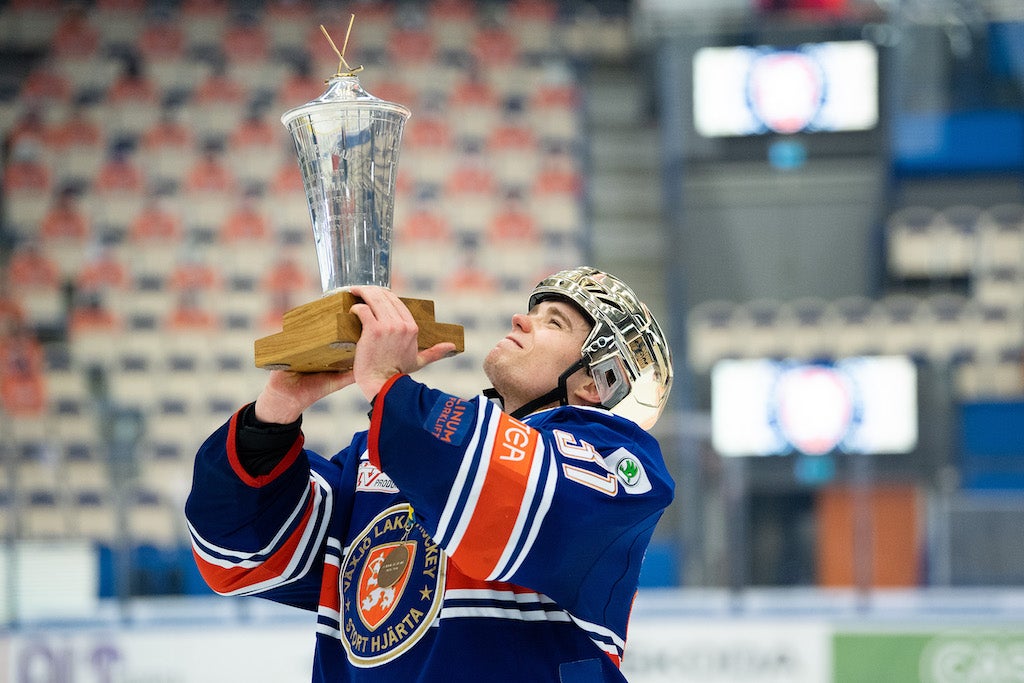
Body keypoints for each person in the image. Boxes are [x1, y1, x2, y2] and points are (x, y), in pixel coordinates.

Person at [185, 266, 674, 681]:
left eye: (555, 322)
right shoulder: (383, 455)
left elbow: (504, 489)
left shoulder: (620, 468)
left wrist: (388, 387)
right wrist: (273, 416)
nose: (521, 318)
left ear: (597, 382)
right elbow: (234, 557)